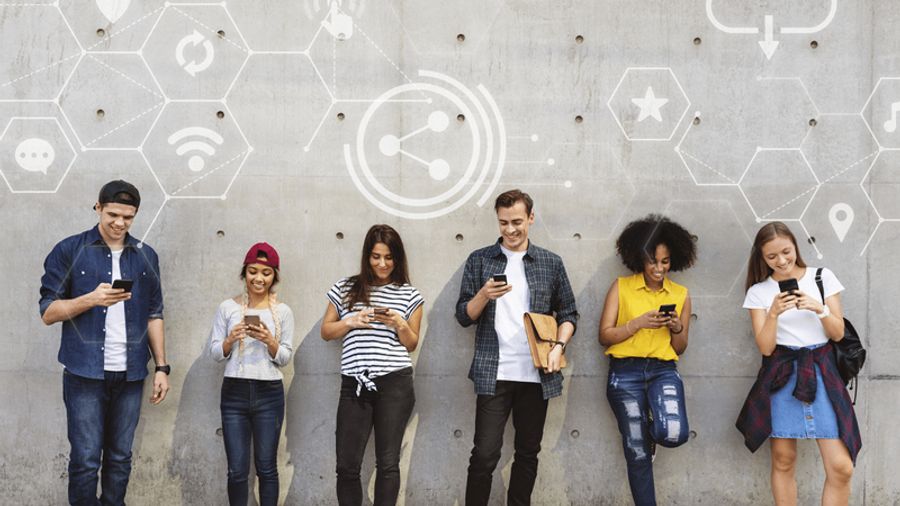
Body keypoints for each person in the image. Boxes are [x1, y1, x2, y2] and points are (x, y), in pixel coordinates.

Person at [39, 180, 170, 505]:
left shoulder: (145, 256)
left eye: (128, 217)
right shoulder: (69, 250)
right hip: (84, 375)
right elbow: (48, 312)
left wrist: (162, 368)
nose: (119, 223)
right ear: (98, 207)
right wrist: (90, 299)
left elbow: (154, 314)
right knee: (85, 461)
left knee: (120, 458)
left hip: (130, 375)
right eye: (112, 214)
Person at [455, 189, 578, 506]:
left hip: (537, 373)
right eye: (503, 222)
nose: (510, 230)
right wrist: (484, 295)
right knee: (484, 455)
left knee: (527, 453)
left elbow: (568, 313)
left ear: (531, 218)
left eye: (517, 222)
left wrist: (558, 346)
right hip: (493, 372)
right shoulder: (480, 259)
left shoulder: (550, 262)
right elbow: (463, 316)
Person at [736, 222, 860, 506]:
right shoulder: (759, 291)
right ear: (761, 258)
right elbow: (766, 347)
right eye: (771, 257)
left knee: (841, 467)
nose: (781, 261)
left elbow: (838, 333)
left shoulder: (822, 277)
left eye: (786, 252)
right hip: (782, 373)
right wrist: (773, 314)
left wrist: (819, 309)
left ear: (795, 246)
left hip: (823, 371)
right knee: (783, 459)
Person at [321, 224, 424, 506]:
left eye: (389, 257)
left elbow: (412, 343)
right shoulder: (346, 288)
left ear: (398, 258)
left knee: (388, 463)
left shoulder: (409, 294)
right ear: (367, 256)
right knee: (346, 465)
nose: (382, 263)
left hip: (395, 383)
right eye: (376, 256)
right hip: (354, 383)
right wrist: (350, 321)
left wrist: (399, 323)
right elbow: (326, 332)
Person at [598, 214, 696, 506]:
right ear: (639, 258)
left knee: (674, 433)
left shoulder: (681, 294)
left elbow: (679, 348)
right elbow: (604, 335)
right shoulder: (621, 287)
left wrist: (677, 327)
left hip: (662, 371)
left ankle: (652, 431)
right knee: (637, 452)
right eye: (653, 261)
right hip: (624, 374)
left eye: (664, 261)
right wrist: (637, 323)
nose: (658, 268)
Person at [207, 242, 295, 505]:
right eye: (253, 271)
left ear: (274, 276)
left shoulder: (283, 311)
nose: (259, 278)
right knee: (236, 471)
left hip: (269, 393)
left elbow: (285, 358)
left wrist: (270, 340)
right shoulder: (227, 308)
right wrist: (230, 339)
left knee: (267, 468)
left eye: (266, 273)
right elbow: (214, 353)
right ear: (244, 273)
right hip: (234, 392)